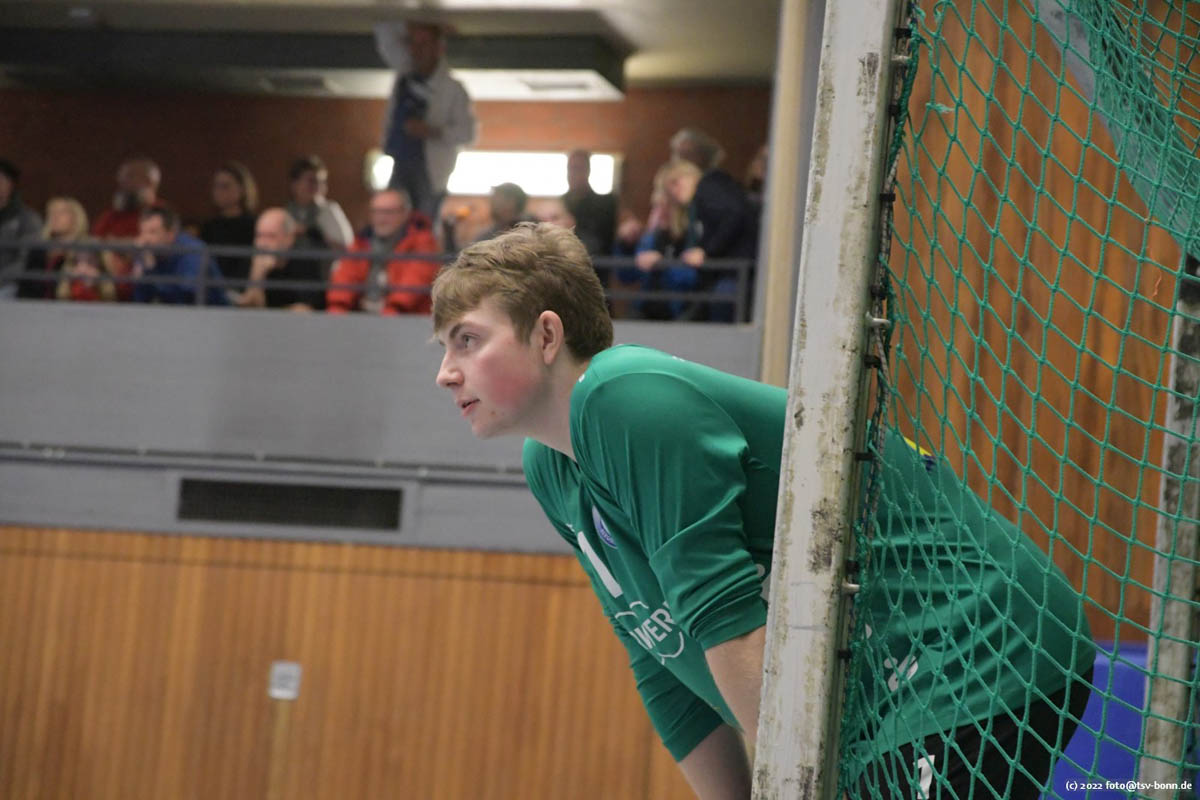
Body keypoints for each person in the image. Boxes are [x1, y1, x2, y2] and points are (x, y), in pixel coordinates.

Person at [431, 223, 1093, 800]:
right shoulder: (550, 464)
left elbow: (728, 624)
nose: (446, 372)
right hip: (900, 689)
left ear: (547, 334)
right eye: (443, 348)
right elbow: (660, 656)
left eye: (467, 340)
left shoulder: (622, 397)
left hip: (983, 640)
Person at [374, 20, 476, 220]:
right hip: (400, 160)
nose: (416, 50)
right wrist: (407, 26)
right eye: (412, 43)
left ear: (439, 48)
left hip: (429, 170)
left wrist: (431, 131)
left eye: (424, 44)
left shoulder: (453, 89)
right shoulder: (405, 74)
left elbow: (468, 134)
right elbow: (384, 31)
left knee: (423, 223)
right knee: (392, 215)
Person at [661, 158, 758, 322]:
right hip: (728, 273)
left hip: (735, 272)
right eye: (671, 188)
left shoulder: (708, 187)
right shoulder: (703, 199)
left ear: (689, 176)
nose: (675, 192)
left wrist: (706, 251)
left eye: (676, 183)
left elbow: (734, 214)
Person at [326, 188, 440, 314]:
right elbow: (346, 276)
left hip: (407, 317)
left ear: (405, 213)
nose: (381, 218)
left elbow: (415, 280)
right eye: (376, 212)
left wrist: (392, 311)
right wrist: (338, 307)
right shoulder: (361, 242)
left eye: (388, 212)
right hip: (366, 315)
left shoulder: (423, 242)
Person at [92, 157, 164, 300]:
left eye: (130, 177)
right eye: (122, 178)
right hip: (109, 289)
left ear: (150, 182)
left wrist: (115, 243)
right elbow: (95, 242)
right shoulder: (111, 215)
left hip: (146, 290)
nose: (123, 184)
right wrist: (130, 245)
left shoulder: (161, 213)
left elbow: (155, 246)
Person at [131, 206, 227, 306]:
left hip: (214, 312)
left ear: (171, 233)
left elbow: (187, 297)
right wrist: (146, 269)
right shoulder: (147, 253)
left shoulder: (192, 251)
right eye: (142, 232)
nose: (145, 239)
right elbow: (140, 301)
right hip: (174, 312)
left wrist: (151, 271)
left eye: (152, 232)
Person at [236, 207, 325, 311]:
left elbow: (305, 309)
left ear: (289, 238)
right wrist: (257, 276)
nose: (263, 244)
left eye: (271, 236)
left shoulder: (305, 260)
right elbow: (245, 310)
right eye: (259, 236)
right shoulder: (250, 260)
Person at [199, 161, 259, 296]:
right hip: (213, 291)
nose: (219, 191)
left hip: (243, 291)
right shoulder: (209, 227)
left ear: (242, 189)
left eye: (225, 186)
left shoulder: (255, 225)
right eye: (216, 186)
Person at [19, 196, 88, 300]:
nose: (55, 216)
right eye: (51, 213)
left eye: (62, 212)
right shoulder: (38, 250)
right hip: (34, 306)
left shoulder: (85, 250)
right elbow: (25, 287)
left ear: (76, 217)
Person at [284, 155, 354, 253]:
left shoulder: (329, 210)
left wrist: (314, 233)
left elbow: (346, 247)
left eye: (322, 182)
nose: (317, 187)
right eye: (311, 181)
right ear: (295, 184)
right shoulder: (286, 213)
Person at [0, 158, 45, 300]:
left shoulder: (27, 219)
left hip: (9, 285)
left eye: (1, 180)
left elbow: (26, 260)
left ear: (10, 185)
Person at [562, 149, 616, 255]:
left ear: (588, 171)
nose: (573, 174)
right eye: (570, 169)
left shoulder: (605, 204)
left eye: (578, 169)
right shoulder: (560, 203)